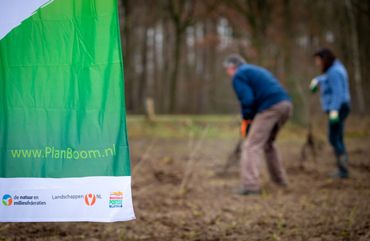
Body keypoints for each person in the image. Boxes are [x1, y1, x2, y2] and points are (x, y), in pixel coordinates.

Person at [224, 54, 292, 195]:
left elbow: (247, 99)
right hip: (285, 105)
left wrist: (247, 119)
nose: (227, 74)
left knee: (251, 145)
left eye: (227, 69)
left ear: (232, 67)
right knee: (268, 144)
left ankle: (250, 186)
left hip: (271, 107)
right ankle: (280, 181)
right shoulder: (254, 70)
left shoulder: (239, 75)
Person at [310, 48, 351, 179]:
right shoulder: (335, 69)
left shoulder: (334, 72)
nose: (317, 63)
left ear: (324, 59)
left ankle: (343, 170)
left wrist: (334, 110)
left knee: (334, 138)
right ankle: (343, 169)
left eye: (318, 60)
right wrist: (317, 80)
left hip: (338, 108)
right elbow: (326, 78)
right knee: (338, 137)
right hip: (341, 107)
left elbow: (338, 92)